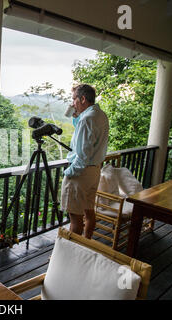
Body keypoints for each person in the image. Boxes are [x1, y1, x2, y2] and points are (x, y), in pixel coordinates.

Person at [61, 84, 109, 239]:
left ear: (82, 98)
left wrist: (69, 172)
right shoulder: (100, 115)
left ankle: (71, 255)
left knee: (75, 218)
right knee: (89, 211)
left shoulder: (87, 119)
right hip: (94, 171)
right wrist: (77, 118)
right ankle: (86, 244)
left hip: (80, 174)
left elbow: (82, 155)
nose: (72, 103)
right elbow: (87, 140)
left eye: (74, 99)